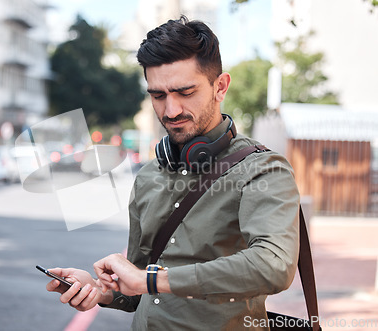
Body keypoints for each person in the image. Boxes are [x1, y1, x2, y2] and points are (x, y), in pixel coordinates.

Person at [46, 16, 300, 330]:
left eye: (185, 92)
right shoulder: (149, 176)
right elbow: (140, 290)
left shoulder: (263, 169)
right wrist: (102, 291)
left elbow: (274, 266)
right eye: (158, 95)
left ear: (220, 87)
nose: (171, 110)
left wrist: (152, 280)